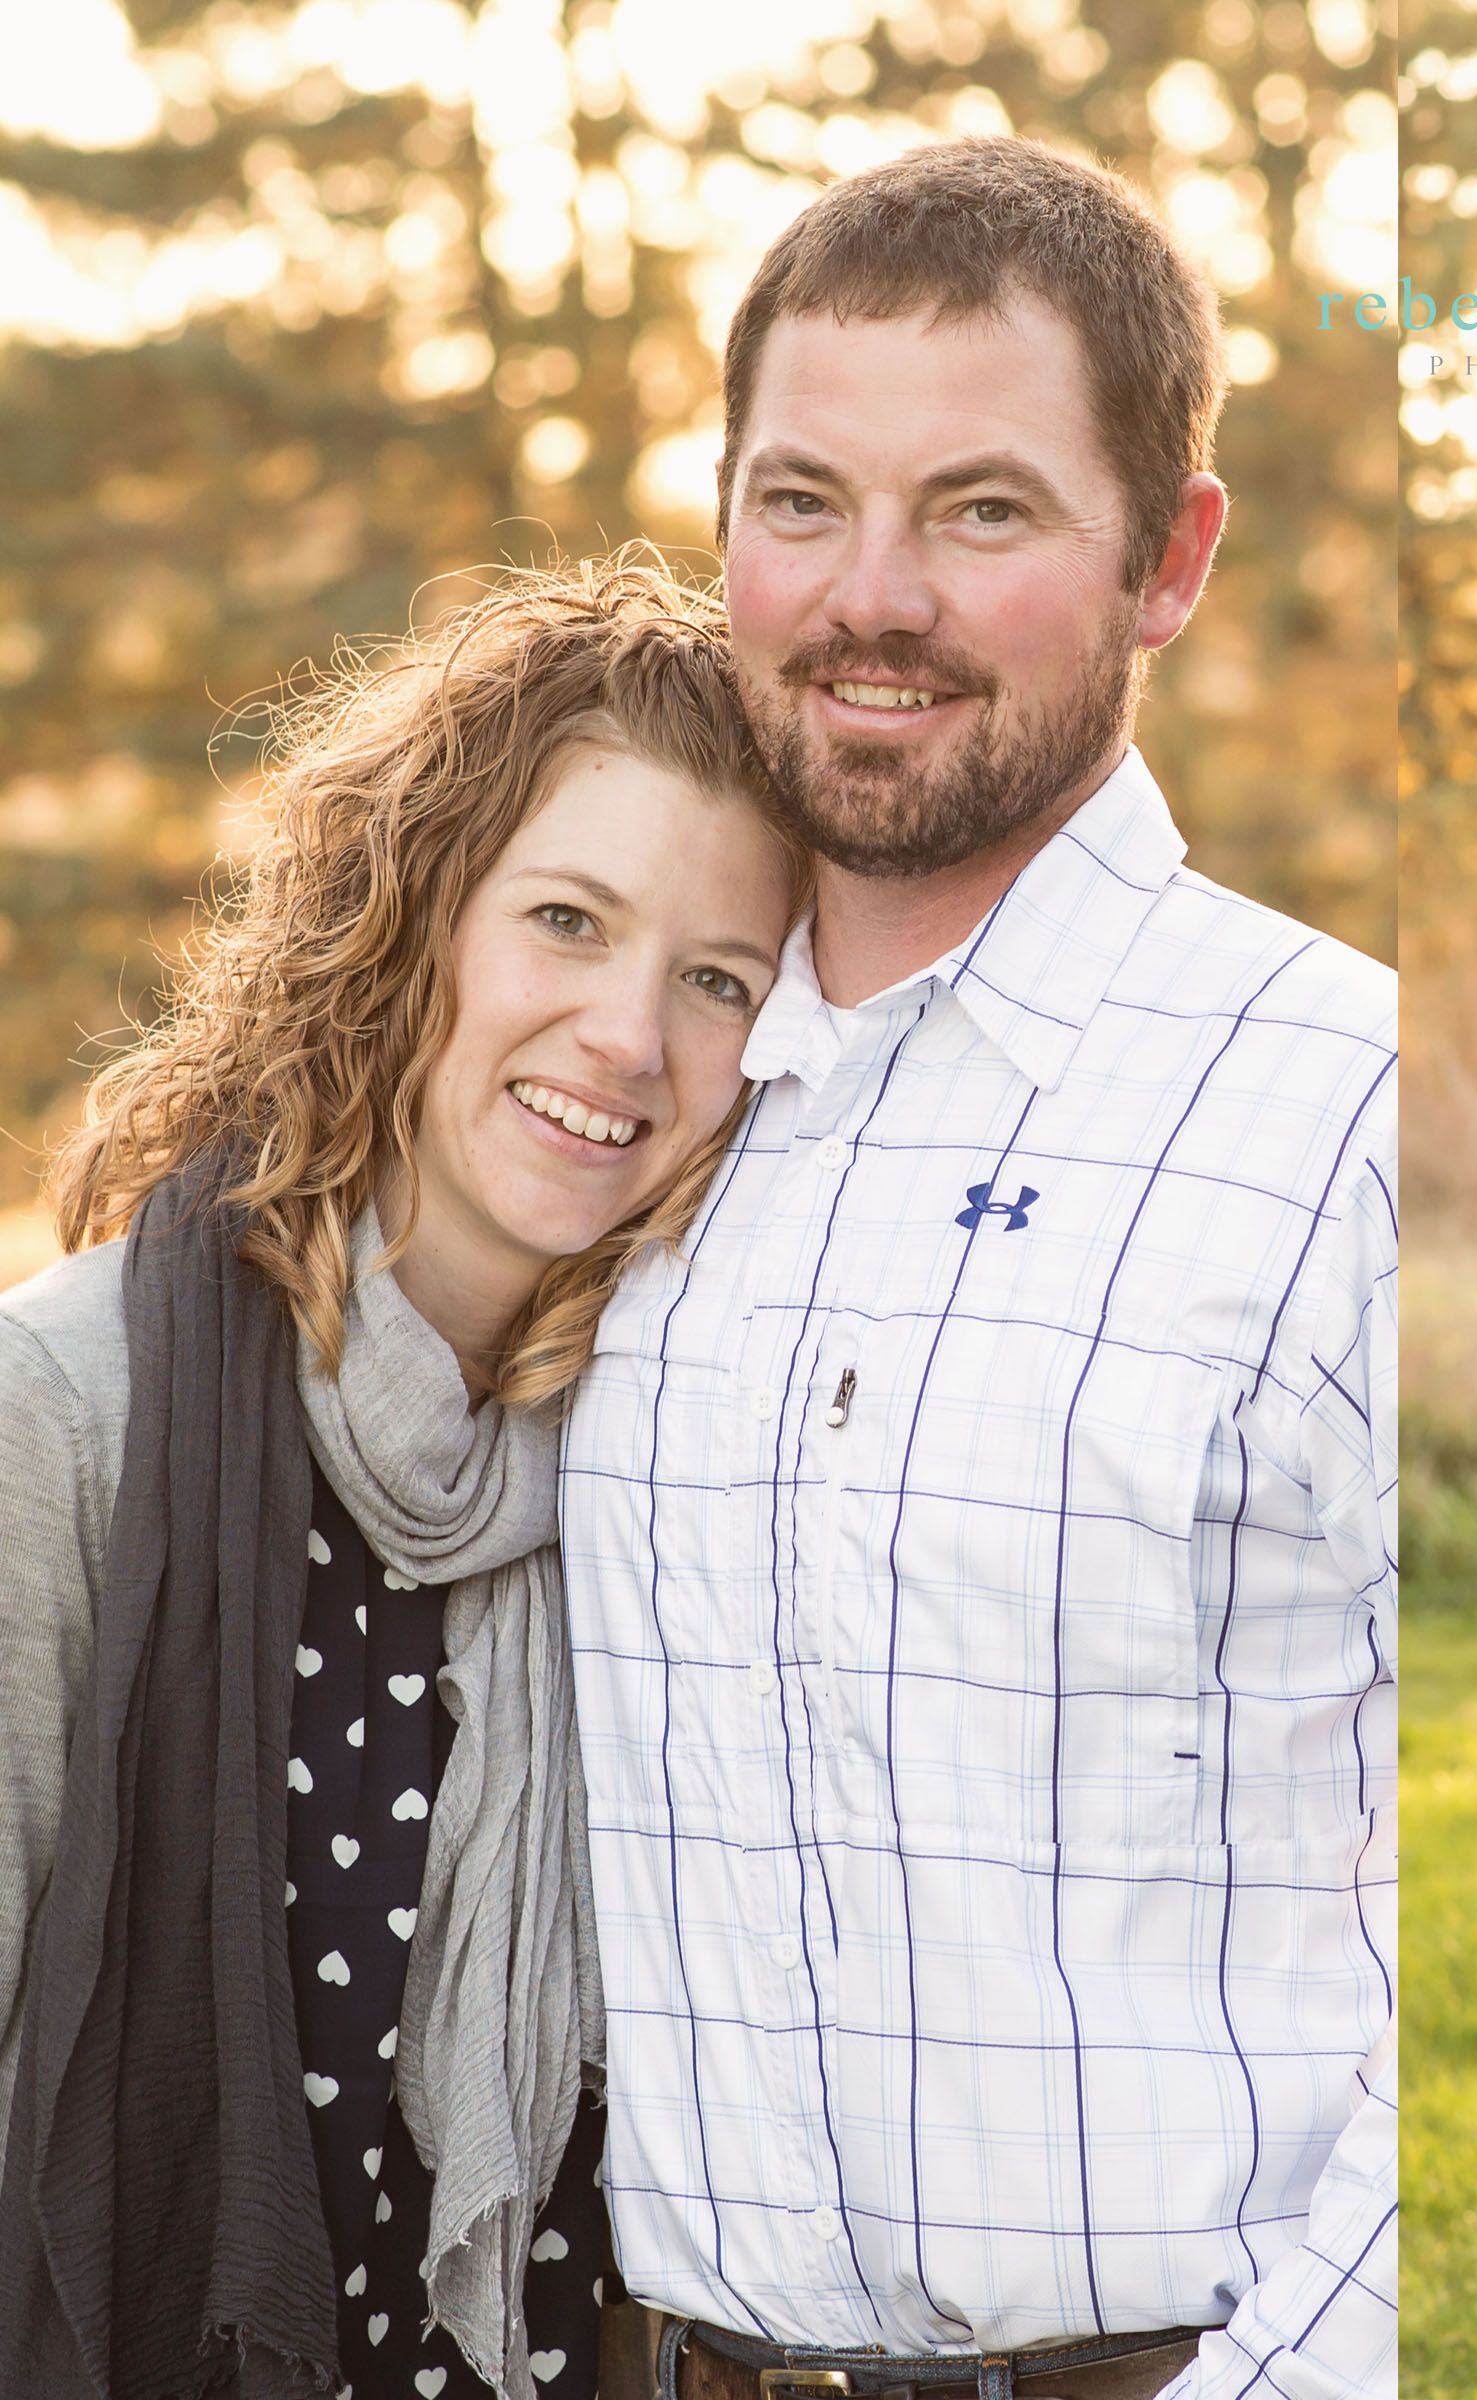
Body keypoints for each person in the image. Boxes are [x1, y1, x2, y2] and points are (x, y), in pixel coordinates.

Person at [555, 141, 1397, 2400]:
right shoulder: (608, 1118)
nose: (871, 597)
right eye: (802, 500)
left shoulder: (1329, 1108)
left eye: (987, 512)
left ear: (1171, 560)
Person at [0, 558, 800, 2400]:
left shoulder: (671, 1463)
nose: (628, 1037)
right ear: (416, 912)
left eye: (718, 979)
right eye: (569, 921)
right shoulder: (72, 1416)